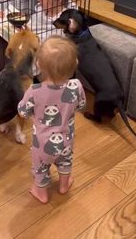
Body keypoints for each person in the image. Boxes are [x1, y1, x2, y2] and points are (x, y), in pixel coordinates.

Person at [17, 35, 86, 204]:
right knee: (65, 162)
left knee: (40, 168)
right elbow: (81, 105)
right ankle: (64, 185)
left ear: (38, 65)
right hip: (66, 140)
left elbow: (22, 112)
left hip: (41, 144)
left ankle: (41, 193)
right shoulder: (76, 86)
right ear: (75, 64)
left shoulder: (34, 90)